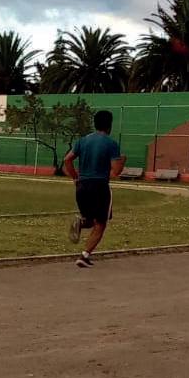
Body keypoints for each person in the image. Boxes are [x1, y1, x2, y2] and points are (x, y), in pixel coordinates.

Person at [63, 108, 125, 268]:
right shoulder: (111, 144)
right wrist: (122, 161)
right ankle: (84, 256)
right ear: (109, 125)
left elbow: (67, 160)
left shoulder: (82, 141)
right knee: (101, 223)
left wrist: (75, 177)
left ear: (95, 124)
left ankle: (81, 222)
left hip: (82, 186)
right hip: (99, 187)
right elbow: (116, 171)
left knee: (90, 220)